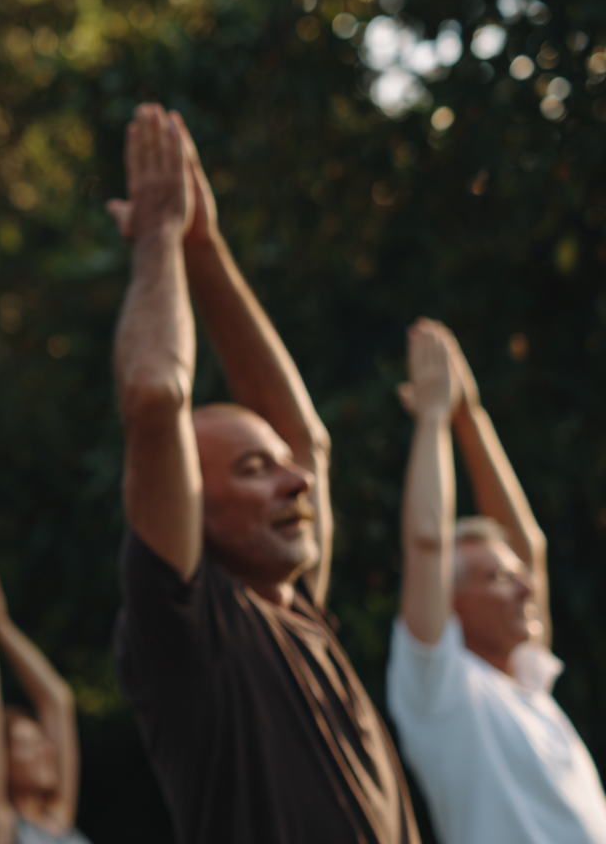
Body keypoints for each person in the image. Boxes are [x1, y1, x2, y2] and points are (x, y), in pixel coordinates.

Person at [107, 103, 419, 844]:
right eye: (255, 470)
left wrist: (205, 246)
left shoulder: (299, 605)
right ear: (194, 508)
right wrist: (158, 238)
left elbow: (308, 441)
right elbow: (155, 394)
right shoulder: (189, 624)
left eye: (284, 468)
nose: (297, 483)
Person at [388, 319, 606, 844]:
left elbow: (530, 546)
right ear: (451, 603)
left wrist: (471, 416)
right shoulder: (440, 691)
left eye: (516, 577)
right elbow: (426, 541)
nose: (526, 587)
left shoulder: (530, 682)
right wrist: (435, 417)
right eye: (496, 578)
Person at [0, 550, 92, 844]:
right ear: (2, 759)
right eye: (26, 744)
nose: (45, 750)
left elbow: (57, 701)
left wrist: (2, 624)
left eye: (41, 739)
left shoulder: (58, 818)